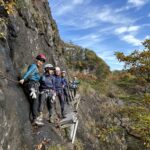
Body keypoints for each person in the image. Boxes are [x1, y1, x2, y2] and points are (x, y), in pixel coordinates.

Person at [19, 54, 46, 125]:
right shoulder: (34, 66)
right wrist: (23, 79)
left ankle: (34, 118)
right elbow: (29, 72)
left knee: (34, 102)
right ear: (37, 59)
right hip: (32, 85)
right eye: (40, 60)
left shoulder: (37, 68)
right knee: (35, 101)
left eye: (42, 61)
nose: (41, 62)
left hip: (34, 85)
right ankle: (34, 119)